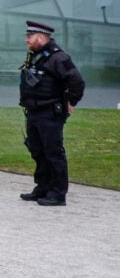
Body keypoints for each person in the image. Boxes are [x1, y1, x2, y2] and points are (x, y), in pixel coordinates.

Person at [18, 20, 85, 206]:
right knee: (37, 151)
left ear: (41, 37)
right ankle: (43, 187)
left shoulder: (58, 57)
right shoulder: (36, 55)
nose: (26, 39)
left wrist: (71, 101)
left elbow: (77, 81)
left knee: (53, 153)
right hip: (34, 111)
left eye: (29, 36)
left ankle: (57, 193)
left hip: (49, 113)